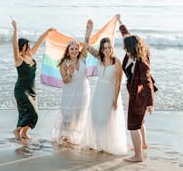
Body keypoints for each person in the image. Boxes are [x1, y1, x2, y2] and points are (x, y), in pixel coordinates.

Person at [81, 19, 128, 155]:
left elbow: (119, 82)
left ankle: (108, 144)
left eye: (109, 47)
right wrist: (89, 30)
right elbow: (85, 45)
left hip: (110, 93)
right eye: (105, 48)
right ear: (102, 49)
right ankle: (99, 144)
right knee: (95, 117)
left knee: (106, 119)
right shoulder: (99, 58)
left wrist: (115, 99)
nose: (107, 50)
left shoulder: (116, 62)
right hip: (98, 92)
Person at [116, 14, 155, 162]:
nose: (124, 49)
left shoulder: (141, 62)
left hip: (139, 96)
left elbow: (147, 82)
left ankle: (138, 156)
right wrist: (120, 21)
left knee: (133, 125)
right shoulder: (134, 53)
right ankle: (143, 144)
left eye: (126, 48)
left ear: (132, 48)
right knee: (140, 121)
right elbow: (126, 34)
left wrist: (150, 103)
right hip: (138, 94)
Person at [11, 19, 55, 146]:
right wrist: (15, 29)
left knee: (29, 113)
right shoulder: (18, 59)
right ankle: (17, 130)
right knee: (32, 113)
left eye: (30, 46)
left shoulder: (30, 55)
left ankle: (24, 133)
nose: (30, 47)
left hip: (32, 90)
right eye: (27, 46)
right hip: (21, 90)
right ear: (22, 47)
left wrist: (47, 32)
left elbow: (40, 41)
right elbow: (14, 45)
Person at [52, 20, 91, 145]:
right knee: (68, 115)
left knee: (80, 114)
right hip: (70, 91)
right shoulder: (64, 63)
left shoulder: (82, 58)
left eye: (75, 49)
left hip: (83, 91)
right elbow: (65, 81)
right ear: (68, 51)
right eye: (71, 49)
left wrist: (88, 30)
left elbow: (86, 44)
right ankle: (64, 135)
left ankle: (76, 137)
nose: (74, 51)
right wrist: (70, 73)